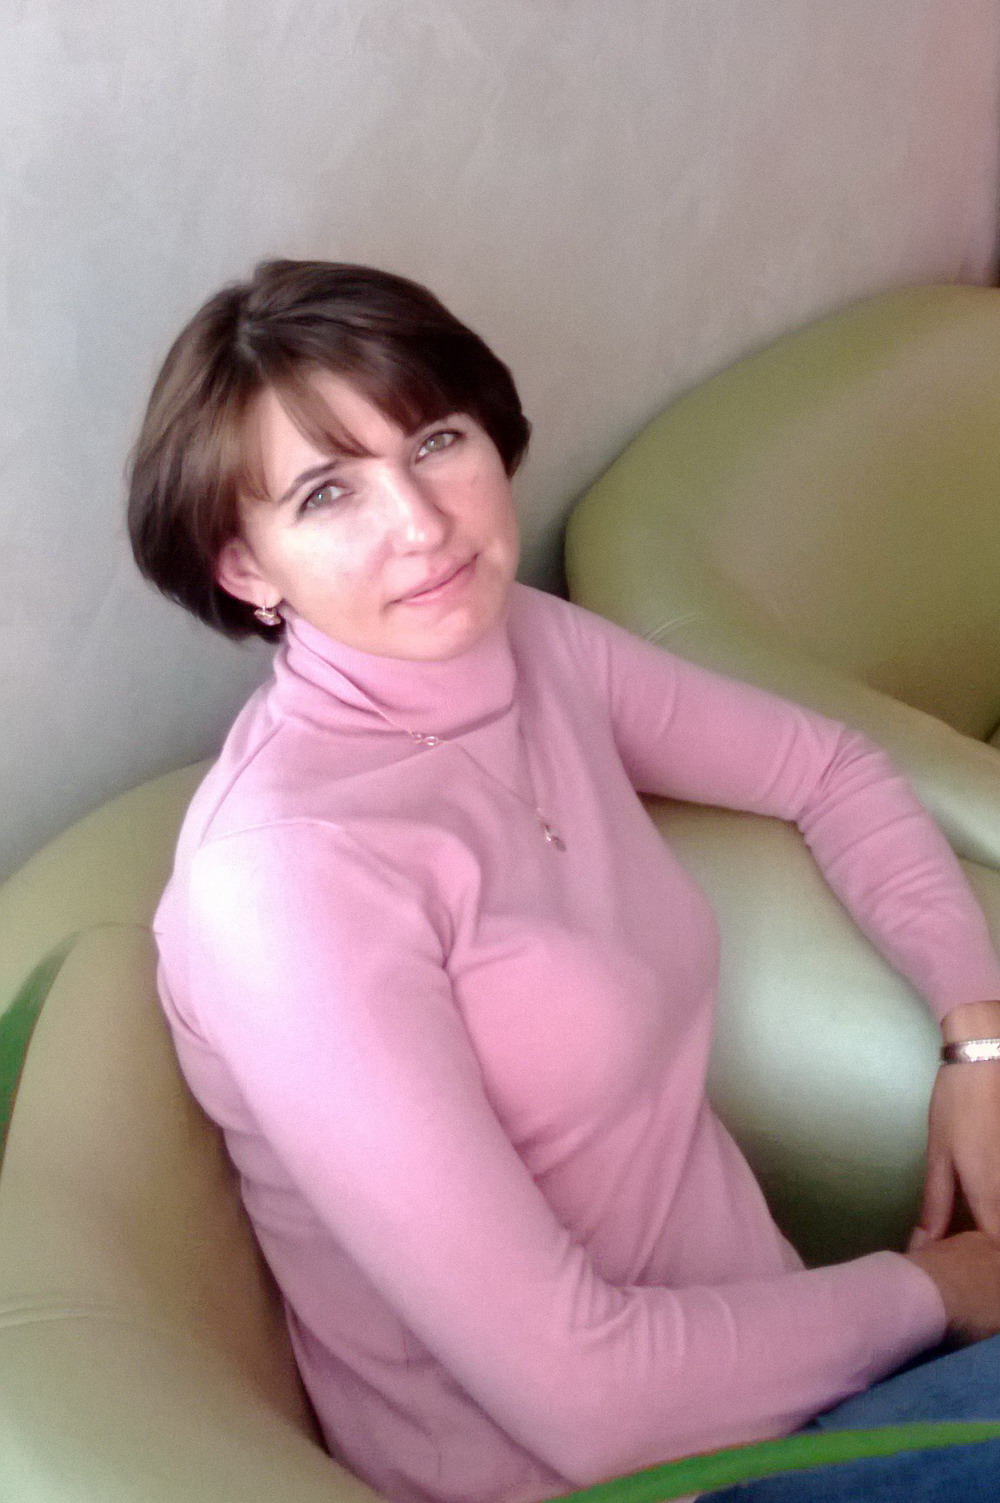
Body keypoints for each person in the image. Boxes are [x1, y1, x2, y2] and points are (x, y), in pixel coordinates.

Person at [128, 259, 1000, 1503]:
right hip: (639, 1479)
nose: (421, 523)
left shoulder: (527, 649)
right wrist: (942, 1293)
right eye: (328, 493)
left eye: (435, 441)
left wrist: (977, 1035)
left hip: (802, 1381)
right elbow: (591, 1404)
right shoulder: (285, 884)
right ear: (243, 570)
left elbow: (830, 769)